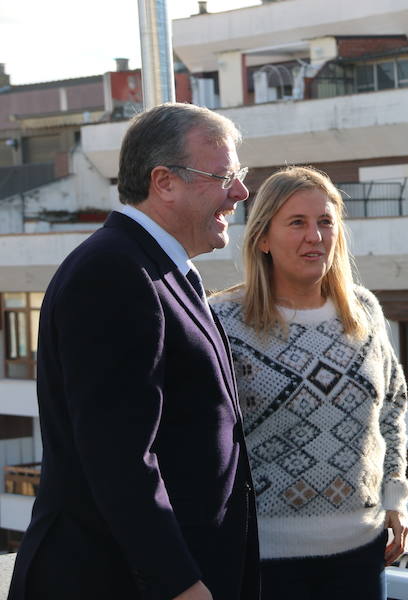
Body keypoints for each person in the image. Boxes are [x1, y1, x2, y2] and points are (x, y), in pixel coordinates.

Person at [8, 103, 259, 600]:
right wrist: (181, 583)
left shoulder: (157, 269)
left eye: (240, 174)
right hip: (121, 581)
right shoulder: (114, 273)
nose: (240, 192)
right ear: (163, 181)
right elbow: (119, 458)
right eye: (224, 175)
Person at [210, 166, 408, 600]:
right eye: (297, 222)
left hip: (362, 554)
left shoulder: (363, 310)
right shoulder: (223, 321)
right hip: (265, 561)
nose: (315, 236)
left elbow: (392, 407)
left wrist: (395, 496)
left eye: (325, 222)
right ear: (263, 238)